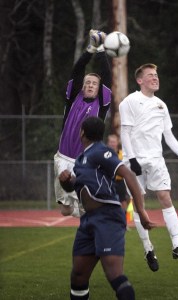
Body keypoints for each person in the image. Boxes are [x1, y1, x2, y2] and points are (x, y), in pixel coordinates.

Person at [59, 117, 156, 300]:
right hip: (87, 220)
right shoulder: (81, 159)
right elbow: (75, 187)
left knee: (114, 274)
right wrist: (66, 182)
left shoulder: (100, 151)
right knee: (78, 276)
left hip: (107, 217)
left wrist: (141, 211)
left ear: (82, 133)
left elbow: (127, 173)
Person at [119, 63, 178, 272]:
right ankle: (148, 248)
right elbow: (125, 132)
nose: (155, 78)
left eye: (156, 75)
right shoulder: (129, 102)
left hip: (156, 159)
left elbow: (167, 135)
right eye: (150, 75)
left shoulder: (161, 105)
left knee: (165, 197)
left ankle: (177, 245)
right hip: (134, 160)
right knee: (139, 203)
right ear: (139, 80)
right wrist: (131, 159)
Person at [54, 29, 111, 218]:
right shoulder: (73, 98)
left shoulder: (101, 104)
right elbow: (77, 70)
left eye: (94, 83)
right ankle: (83, 212)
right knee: (65, 211)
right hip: (62, 158)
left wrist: (101, 50)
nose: (90, 85)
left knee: (87, 207)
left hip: (84, 163)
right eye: (87, 82)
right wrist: (90, 50)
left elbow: (107, 76)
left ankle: (94, 221)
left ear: (99, 88)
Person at [107, 134, 131, 213]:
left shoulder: (122, 154)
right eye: (110, 142)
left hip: (120, 181)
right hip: (109, 181)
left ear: (117, 143)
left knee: (123, 200)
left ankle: (123, 220)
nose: (112, 144)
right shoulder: (105, 154)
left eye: (113, 142)